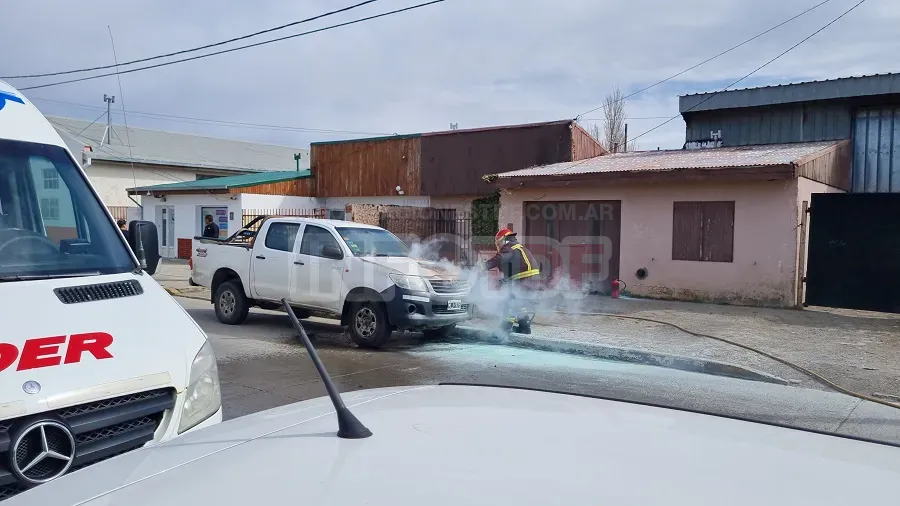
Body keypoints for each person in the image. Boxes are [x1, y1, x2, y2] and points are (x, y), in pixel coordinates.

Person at [481, 228, 540, 334]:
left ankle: (505, 329)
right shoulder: (517, 247)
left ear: (505, 240)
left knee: (510, 302)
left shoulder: (509, 248)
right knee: (519, 302)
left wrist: (485, 266)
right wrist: (505, 280)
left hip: (524, 278)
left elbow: (499, 259)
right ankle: (524, 327)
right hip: (531, 279)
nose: (498, 245)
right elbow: (512, 268)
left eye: (499, 242)